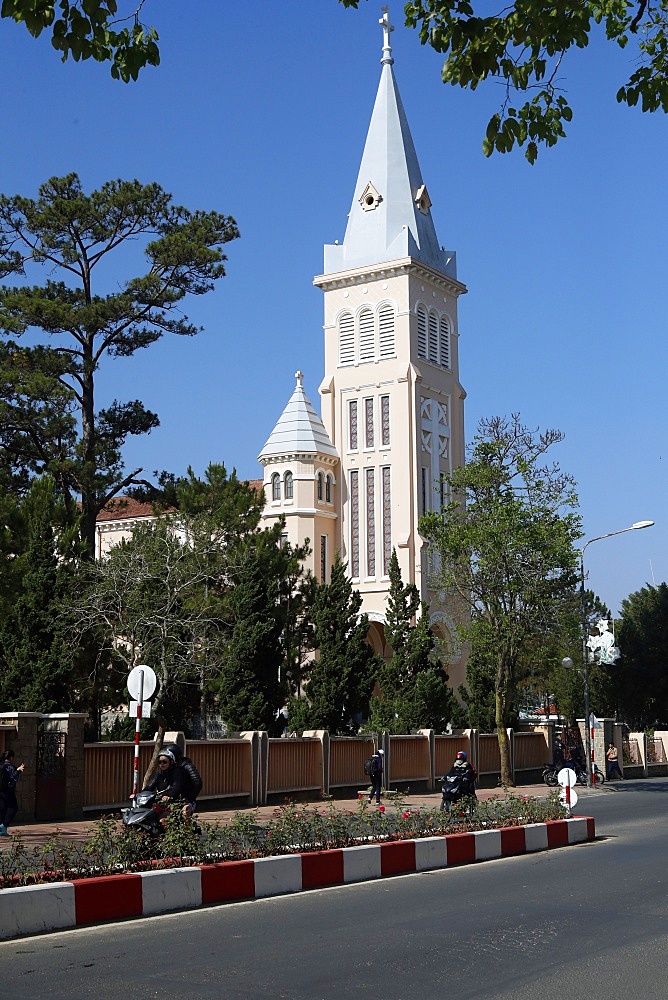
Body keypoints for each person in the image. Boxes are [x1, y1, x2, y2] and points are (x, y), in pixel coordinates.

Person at [144, 748, 187, 826]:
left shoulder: (176, 772)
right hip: (161, 802)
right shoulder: (159, 773)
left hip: (174, 803)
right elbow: (150, 786)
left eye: (164, 762)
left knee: (162, 820)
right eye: (160, 762)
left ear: (171, 762)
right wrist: (140, 794)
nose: (162, 764)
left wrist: (169, 795)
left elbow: (176, 786)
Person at [0, 749, 25, 835]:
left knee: (2, 809)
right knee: (13, 808)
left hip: (1, 791)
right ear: (11, 758)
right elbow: (13, 778)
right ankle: (4, 826)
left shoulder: (2, 766)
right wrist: (18, 770)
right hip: (8, 791)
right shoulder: (11, 767)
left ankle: (2, 829)